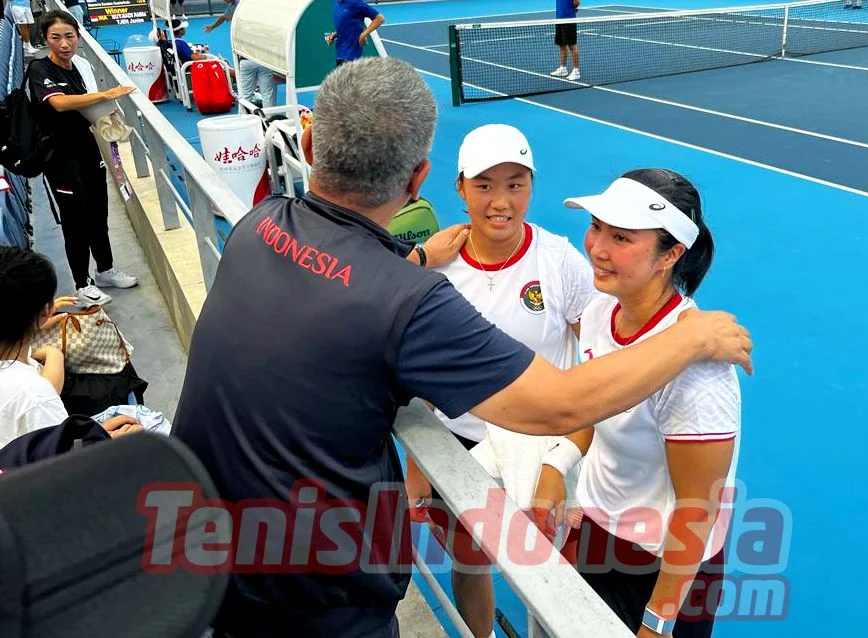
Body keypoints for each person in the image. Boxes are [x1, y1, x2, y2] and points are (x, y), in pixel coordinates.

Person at [171, 57, 752, 638]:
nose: (598, 247)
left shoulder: (258, 225)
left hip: (201, 545)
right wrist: (690, 336)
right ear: (421, 179)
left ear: (308, 143)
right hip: (316, 591)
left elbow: (338, 279)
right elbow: (564, 404)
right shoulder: (409, 298)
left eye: (516, 183)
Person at [405, 123, 595, 638]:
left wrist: (567, 458)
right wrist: (418, 462)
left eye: (516, 184)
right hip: (458, 445)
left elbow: (596, 360)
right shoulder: (438, 271)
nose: (501, 202)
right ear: (461, 188)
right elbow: (423, 371)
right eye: (485, 185)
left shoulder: (559, 260)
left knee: (557, 576)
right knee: (470, 561)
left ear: (531, 185)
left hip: (543, 446)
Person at [533, 169, 741, 637]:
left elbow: (696, 510)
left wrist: (657, 621)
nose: (597, 248)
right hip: (597, 530)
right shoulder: (599, 311)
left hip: (666, 569)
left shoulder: (699, 374)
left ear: (671, 255)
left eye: (622, 237)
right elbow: (593, 402)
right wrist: (555, 465)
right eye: (597, 227)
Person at [28, 10, 138, 307]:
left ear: (78, 36)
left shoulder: (82, 65)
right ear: (45, 39)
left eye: (69, 36)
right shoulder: (40, 69)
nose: (64, 44)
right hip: (58, 156)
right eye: (56, 37)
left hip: (86, 147)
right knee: (75, 220)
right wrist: (107, 95)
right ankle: (82, 284)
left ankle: (105, 270)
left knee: (98, 212)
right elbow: (60, 103)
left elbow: (86, 105)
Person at [0, 247, 142, 448]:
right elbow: (58, 460)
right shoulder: (35, 396)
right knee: (121, 382)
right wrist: (98, 441)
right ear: (46, 309)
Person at [324, 0, 385, 65]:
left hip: (352, 56)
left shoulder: (356, 2)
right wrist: (333, 35)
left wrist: (364, 34)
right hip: (339, 54)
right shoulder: (335, 2)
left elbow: (380, 18)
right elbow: (346, 24)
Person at [550, 0, 580, 81]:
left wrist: (573, 8)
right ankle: (563, 69)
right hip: (559, 19)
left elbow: (577, 2)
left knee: (572, 46)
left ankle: (576, 72)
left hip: (569, 20)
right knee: (562, 44)